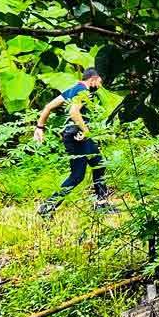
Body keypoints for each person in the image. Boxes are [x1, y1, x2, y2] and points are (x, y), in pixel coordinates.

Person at [34, 68, 109, 216]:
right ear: (93, 79)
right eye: (100, 82)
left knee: (99, 162)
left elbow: (49, 106)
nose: (100, 86)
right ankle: (47, 207)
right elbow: (74, 112)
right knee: (77, 176)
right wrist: (86, 130)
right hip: (77, 136)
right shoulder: (83, 91)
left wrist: (39, 126)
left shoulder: (73, 89)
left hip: (74, 134)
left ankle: (102, 203)